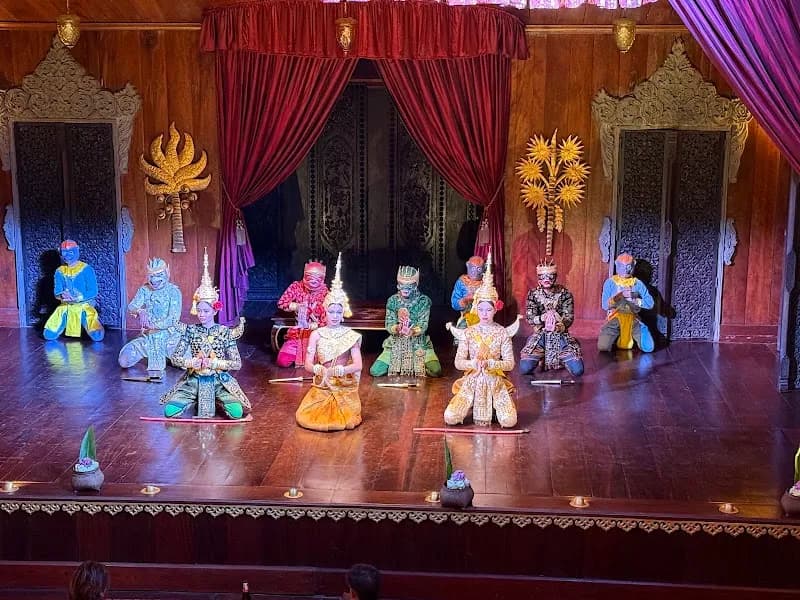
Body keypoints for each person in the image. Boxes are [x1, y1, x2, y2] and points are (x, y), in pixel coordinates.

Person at [160, 250, 250, 420]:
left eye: (206, 311)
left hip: (219, 380)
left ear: (215, 310)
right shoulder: (191, 330)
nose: (201, 315)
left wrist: (214, 363)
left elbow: (237, 363)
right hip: (194, 379)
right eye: (199, 311)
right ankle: (194, 399)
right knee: (170, 411)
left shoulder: (224, 332)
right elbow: (175, 358)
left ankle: (218, 401)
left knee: (237, 413)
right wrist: (191, 362)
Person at [444, 251, 517, 428]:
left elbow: (510, 364)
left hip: (495, 381)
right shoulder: (468, 332)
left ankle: (497, 408)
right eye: (481, 309)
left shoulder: (502, 332)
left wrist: (491, 364)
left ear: (495, 310)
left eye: (488, 310)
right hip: (473, 379)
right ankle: (468, 406)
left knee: (509, 421)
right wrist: (473, 363)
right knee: (450, 417)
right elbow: (458, 362)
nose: (484, 314)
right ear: (476, 308)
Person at [296, 253, 362, 432]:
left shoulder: (351, 336)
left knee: (344, 418)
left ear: (343, 314)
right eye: (331, 312)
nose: (334, 316)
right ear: (324, 312)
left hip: (342, 385)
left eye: (338, 312)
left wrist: (342, 370)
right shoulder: (316, 334)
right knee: (308, 417)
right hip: (322, 384)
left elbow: (358, 365)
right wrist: (316, 368)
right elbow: (308, 364)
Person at [369, 266, 441, 378]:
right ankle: (401, 364)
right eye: (402, 284)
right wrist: (398, 328)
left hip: (419, 343)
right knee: (376, 371)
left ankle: (415, 365)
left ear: (416, 284)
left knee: (436, 371)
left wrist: (412, 331)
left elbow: (423, 324)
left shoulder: (423, 301)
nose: (405, 289)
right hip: (396, 343)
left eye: (409, 285)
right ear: (398, 284)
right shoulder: (393, 301)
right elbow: (389, 323)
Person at [118, 257, 183, 379]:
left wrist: (153, 325)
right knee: (124, 361)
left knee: (188, 363)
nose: (154, 280)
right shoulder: (145, 290)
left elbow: (173, 319)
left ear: (167, 273)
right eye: (152, 276)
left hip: (170, 337)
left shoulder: (173, 292)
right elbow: (131, 306)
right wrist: (140, 311)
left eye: (159, 275)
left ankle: (170, 357)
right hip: (148, 337)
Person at [519, 258, 584, 377]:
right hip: (540, 335)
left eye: (550, 276)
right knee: (524, 369)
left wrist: (557, 321)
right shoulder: (533, 294)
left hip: (560, 335)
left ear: (555, 277)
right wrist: (542, 318)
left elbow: (569, 317)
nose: (546, 279)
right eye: (543, 276)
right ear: (538, 278)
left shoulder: (564, 293)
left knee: (578, 370)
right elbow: (530, 317)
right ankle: (539, 353)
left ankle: (567, 352)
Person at [43, 240, 105, 341]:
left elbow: (93, 291)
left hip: (84, 305)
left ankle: (95, 328)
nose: (67, 255)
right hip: (66, 306)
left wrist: (79, 298)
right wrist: (62, 295)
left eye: (71, 252)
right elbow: (57, 291)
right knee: (49, 335)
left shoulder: (86, 269)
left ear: (77, 250)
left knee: (96, 334)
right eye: (64, 252)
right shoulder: (59, 271)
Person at [598, 253, 655, 352]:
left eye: (628, 267)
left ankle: (634, 335)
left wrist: (634, 299)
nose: (625, 270)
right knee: (603, 346)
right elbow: (605, 305)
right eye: (622, 266)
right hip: (615, 318)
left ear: (633, 266)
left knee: (648, 347)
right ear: (616, 265)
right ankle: (615, 336)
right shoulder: (610, 283)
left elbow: (650, 303)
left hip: (633, 318)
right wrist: (619, 297)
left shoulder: (637, 284)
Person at [276, 261, 328, 367]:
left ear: (322, 278)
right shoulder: (296, 286)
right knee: (283, 361)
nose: (313, 281)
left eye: (317, 278)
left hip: (318, 335)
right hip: (298, 333)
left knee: (327, 362)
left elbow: (328, 319)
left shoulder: (326, 293)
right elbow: (281, 303)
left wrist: (316, 325)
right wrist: (296, 306)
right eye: (310, 277)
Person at [450, 256, 485, 331]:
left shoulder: (486, 282)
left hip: (484, 319)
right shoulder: (462, 282)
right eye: (473, 268)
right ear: (467, 265)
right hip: (466, 318)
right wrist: (464, 300)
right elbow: (454, 303)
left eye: (479, 269)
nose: (475, 272)